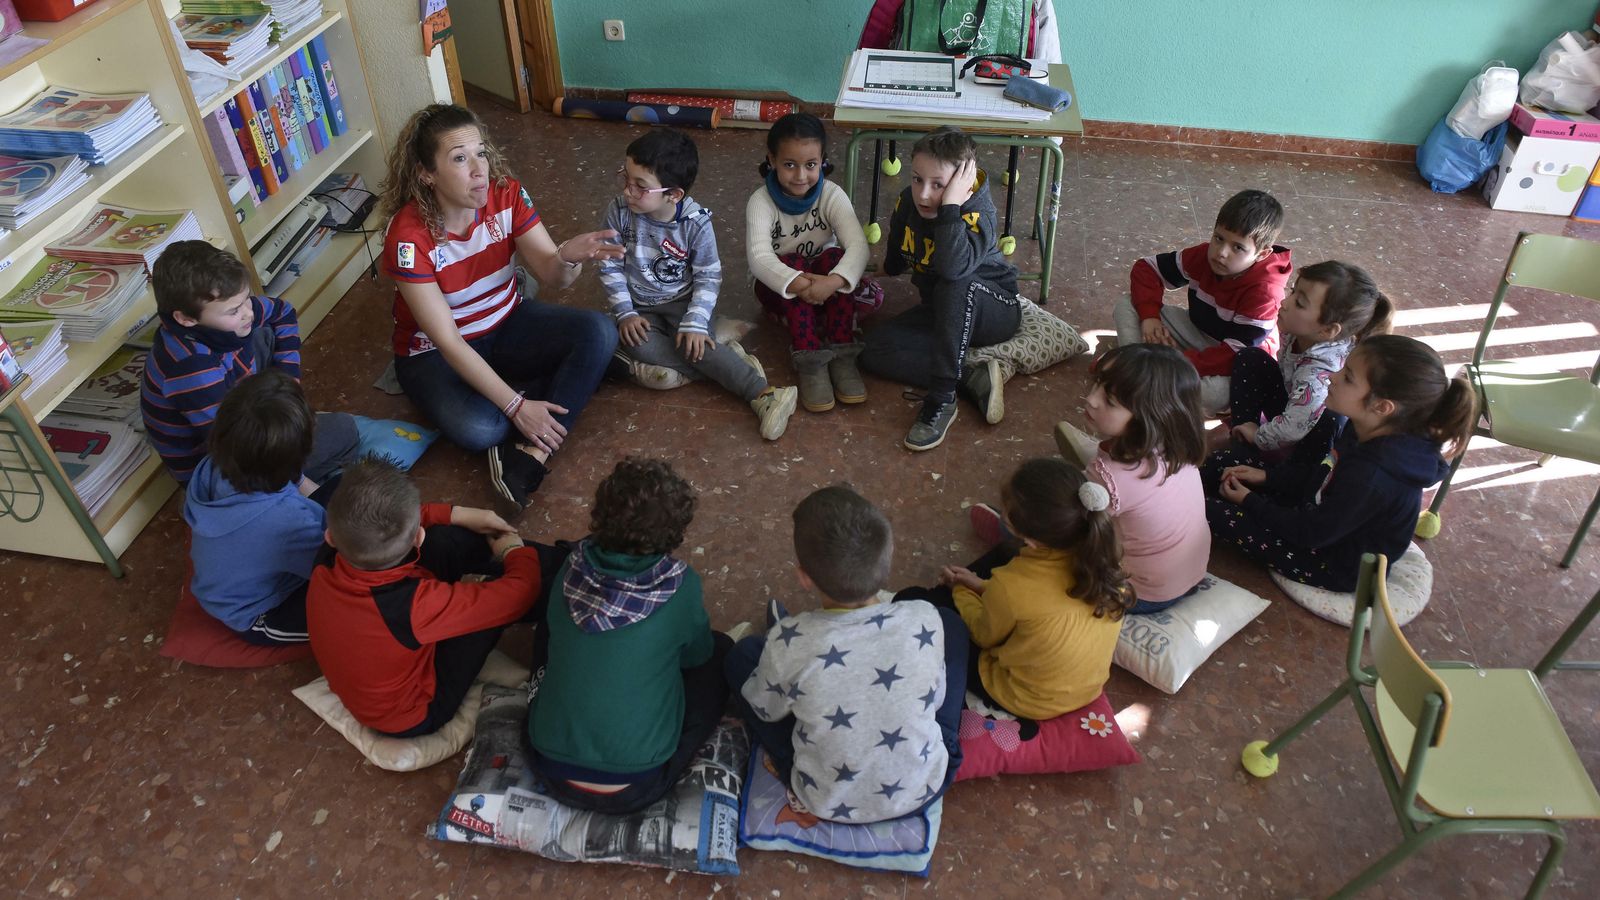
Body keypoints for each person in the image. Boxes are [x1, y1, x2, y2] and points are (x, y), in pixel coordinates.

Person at [380, 103, 622, 510]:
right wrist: (514, 405)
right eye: (459, 158)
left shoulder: (507, 194)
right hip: (436, 354)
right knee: (481, 429)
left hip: (506, 320)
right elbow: (450, 342)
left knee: (598, 331)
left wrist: (570, 257)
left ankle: (533, 452)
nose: (479, 169)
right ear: (426, 173)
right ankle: (570, 381)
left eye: (481, 153)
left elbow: (551, 274)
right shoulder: (407, 236)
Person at [724, 486, 967, 823]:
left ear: (804, 578)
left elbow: (766, 710)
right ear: (888, 556)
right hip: (925, 786)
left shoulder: (789, 640)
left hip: (824, 798)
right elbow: (936, 698)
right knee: (952, 625)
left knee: (743, 656)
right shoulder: (924, 615)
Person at [527, 457, 733, 814]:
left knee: (553, 629)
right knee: (721, 652)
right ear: (675, 532)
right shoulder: (680, 586)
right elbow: (696, 657)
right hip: (637, 782)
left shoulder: (569, 568)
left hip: (547, 763)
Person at [307, 459, 560, 737]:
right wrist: (514, 552)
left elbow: (387, 524)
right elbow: (517, 595)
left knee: (446, 539)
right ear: (418, 537)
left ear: (330, 536)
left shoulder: (329, 553)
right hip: (415, 713)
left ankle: (561, 562)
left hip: (388, 640)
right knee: (501, 594)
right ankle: (568, 572)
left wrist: (457, 514)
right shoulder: (414, 606)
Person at [1208, 334, 1475, 592]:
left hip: (1332, 562)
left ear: (1382, 407)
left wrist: (1249, 501)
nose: (1332, 377)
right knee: (1220, 466)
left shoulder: (1373, 478)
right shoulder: (1364, 426)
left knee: (1215, 513)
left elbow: (1311, 533)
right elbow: (1321, 475)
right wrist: (1265, 478)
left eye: (1347, 377)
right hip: (1317, 513)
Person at [599, 129, 798, 440]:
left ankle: (763, 393)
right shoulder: (619, 211)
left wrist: (693, 322)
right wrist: (625, 312)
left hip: (684, 302)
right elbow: (609, 264)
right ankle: (726, 358)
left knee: (693, 345)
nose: (628, 191)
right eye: (626, 178)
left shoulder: (695, 223)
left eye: (640, 186)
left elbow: (708, 277)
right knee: (639, 345)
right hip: (639, 305)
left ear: (673, 194)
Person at [906, 458, 1133, 721]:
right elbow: (1039, 602)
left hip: (1023, 697)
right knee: (1002, 558)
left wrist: (961, 590)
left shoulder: (1011, 585)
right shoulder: (1104, 563)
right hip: (1086, 689)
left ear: (1032, 541)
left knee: (917, 599)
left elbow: (982, 634)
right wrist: (981, 586)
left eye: (1006, 518)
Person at [990, 345, 1208, 616]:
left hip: (1139, 593)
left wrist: (1021, 520)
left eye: (1110, 401)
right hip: (1189, 574)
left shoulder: (1113, 478)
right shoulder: (1178, 446)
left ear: (1147, 419)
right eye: (1097, 384)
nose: (1091, 399)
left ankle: (1011, 531)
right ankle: (1097, 450)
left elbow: (1067, 525)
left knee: (1015, 520)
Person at [141, 241, 358, 486]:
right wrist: (301, 485)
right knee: (344, 430)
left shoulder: (226, 307)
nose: (248, 312)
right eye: (234, 310)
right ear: (186, 318)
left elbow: (284, 312)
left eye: (246, 299)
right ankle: (244, 503)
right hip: (220, 468)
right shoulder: (191, 371)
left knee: (262, 334)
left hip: (234, 417)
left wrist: (290, 386)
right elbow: (244, 452)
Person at [860, 126, 1022, 451]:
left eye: (938, 185)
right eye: (917, 178)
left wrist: (950, 207)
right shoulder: (910, 201)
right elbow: (897, 246)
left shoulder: (978, 213)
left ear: (963, 183)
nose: (923, 193)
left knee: (955, 281)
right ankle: (971, 378)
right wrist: (883, 269)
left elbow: (953, 268)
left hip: (994, 312)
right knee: (873, 351)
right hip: (943, 314)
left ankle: (943, 397)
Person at [745, 113, 882, 413]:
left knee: (835, 258)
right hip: (780, 288)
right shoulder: (761, 201)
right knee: (791, 260)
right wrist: (800, 283)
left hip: (824, 282)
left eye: (810, 165)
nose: (800, 176)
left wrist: (832, 282)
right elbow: (759, 257)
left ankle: (843, 350)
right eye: (789, 164)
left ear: (822, 161)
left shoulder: (831, 194)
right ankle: (809, 357)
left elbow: (858, 246)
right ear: (772, 160)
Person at [1111, 189, 1293, 412]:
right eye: (1219, 238)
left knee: (1217, 394)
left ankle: (1138, 373)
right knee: (1127, 305)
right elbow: (1146, 269)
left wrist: (1178, 365)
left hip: (1237, 359)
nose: (1221, 253)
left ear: (1262, 255)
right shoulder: (1203, 256)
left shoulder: (1266, 292)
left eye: (1238, 247)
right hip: (1198, 333)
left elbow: (1233, 355)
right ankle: (1139, 370)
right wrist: (1150, 319)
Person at [183, 370, 326, 646]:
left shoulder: (217, 464)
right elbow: (331, 571)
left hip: (243, 571)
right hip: (259, 614)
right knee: (362, 616)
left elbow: (295, 488)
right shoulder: (286, 523)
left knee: (341, 495)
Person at [1208, 260, 1394, 463]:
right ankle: (1242, 437)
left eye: (1299, 303)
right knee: (1251, 358)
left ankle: (1251, 451)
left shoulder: (1316, 375)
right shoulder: (1301, 333)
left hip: (1306, 438)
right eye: (1293, 291)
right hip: (1296, 405)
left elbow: (1294, 428)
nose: (1285, 302)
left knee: (1215, 471)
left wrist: (1259, 437)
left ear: (1328, 330)